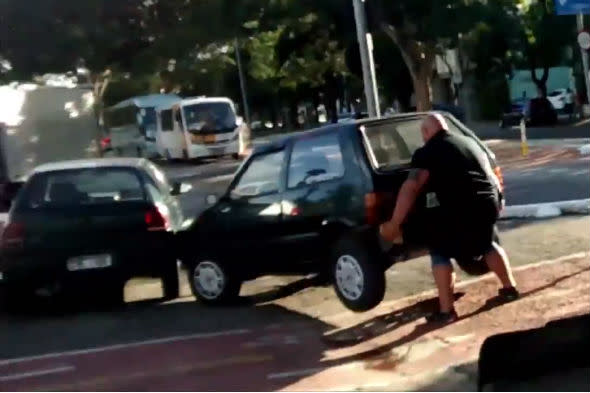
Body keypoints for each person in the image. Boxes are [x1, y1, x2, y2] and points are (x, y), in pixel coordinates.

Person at [380, 113, 519, 323]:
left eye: (422, 134)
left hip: (459, 210)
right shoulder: (469, 142)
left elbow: (412, 186)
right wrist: (498, 201)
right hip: (487, 205)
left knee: (439, 251)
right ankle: (509, 289)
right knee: (487, 243)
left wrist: (394, 223)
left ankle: (447, 312)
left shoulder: (427, 152)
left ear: (426, 132)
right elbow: (490, 174)